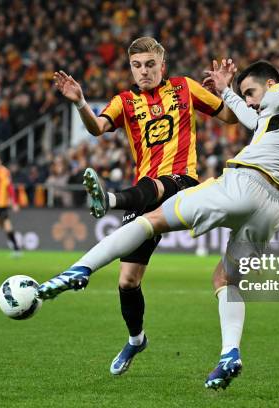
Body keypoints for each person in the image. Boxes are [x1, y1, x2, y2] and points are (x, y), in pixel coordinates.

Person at [40, 59, 279, 389]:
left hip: (245, 184)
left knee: (152, 220)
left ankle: (80, 269)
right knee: (224, 278)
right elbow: (252, 119)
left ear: (270, 85)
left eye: (251, 91)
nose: (251, 99)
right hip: (276, 208)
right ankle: (230, 353)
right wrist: (228, 91)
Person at [52, 37, 239, 376]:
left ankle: (108, 200)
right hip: (144, 194)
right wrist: (79, 101)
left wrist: (228, 90)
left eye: (150, 64)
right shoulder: (124, 101)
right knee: (127, 281)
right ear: (131, 68)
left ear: (162, 65)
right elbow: (97, 129)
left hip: (183, 182)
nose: (144, 71)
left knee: (157, 185)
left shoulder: (186, 88)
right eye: (137, 66)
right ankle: (136, 339)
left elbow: (230, 118)